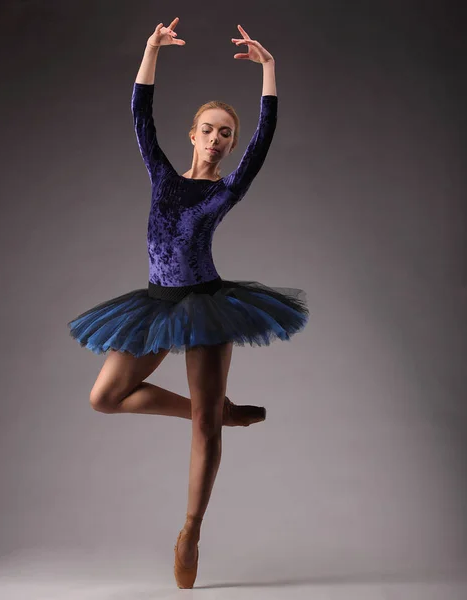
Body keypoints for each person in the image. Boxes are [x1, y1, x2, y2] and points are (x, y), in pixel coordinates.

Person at [67, 17, 309, 588]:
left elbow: (264, 140)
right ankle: (221, 409)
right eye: (209, 129)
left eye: (226, 132)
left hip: (206, 302)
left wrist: (270, 69)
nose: (218, 138)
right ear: (192, 134)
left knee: (204, 432)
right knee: (106, 397)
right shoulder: (161, 175)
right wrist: (150, 50)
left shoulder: (227, 188)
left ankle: (190, 531)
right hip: (155, 301)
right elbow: (139, 115)